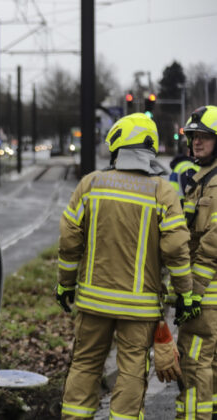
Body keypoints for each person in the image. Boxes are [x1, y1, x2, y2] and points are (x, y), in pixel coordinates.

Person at [56, 113, 195, 420]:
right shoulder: (162, 191)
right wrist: (185, 293)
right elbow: (175, 249)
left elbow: (69, 243)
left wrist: (65, 283)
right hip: (140, 307)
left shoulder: (91, 185)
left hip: (92, 302)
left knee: (85, 365)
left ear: (118, 146)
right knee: (132, 372)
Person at [176, 105, 217, 420]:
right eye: (193, 137)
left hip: (206, 294)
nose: (197, 143)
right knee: (210, 362)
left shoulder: (214, 183)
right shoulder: (202, 178)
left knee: (194, 362)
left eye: (204, 137)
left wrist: (193, 288)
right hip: (206, 293)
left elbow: (212, 242)